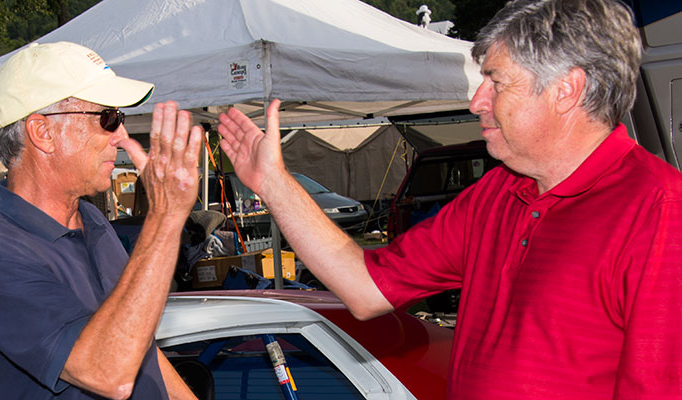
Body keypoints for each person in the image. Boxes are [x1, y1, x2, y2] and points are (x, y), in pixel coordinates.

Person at [217, 0, 682, 398]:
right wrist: (274, 183)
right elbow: (364, 289)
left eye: (497, 82)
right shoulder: (498, 194)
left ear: (566, 90)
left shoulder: (659, 212)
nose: (477, 100)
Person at [0, 41, 202, 399]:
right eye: (107, 118)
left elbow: (140, 346)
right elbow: (109, 373)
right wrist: (165, 216)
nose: (120, 136)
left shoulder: (90, 219)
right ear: (42, 132)